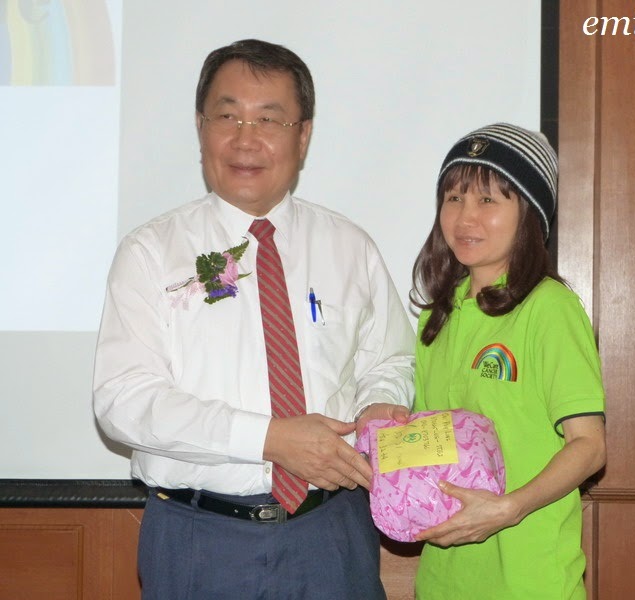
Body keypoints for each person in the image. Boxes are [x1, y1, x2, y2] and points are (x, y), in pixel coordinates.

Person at [92, 39, 415, 600]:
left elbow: (389, 359)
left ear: (303, 135)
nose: (245, 139)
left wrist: (376, 406)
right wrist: (269, 439)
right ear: (200, 127)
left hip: (332, 534)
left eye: (269, 119)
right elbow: (123, 399)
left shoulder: (349, 247)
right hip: (200, 538)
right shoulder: (150, 253)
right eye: (227, 116)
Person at [410, 123, 606, 599]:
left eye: (488, 200)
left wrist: (509, 508)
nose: (465, 217)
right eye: (454, 198)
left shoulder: (549, 307)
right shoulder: (436, 315)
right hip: (442, 582)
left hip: (529, 581)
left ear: (530, 214)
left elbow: (589, 446)